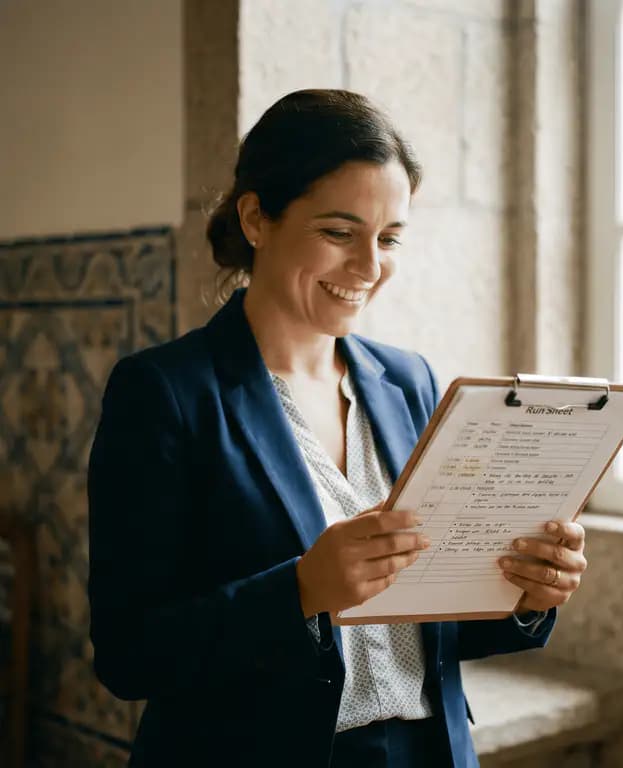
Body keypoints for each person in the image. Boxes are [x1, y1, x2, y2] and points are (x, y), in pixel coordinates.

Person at [86, 89, 587, 767]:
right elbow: (129, 654)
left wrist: (524, 595)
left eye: (389, 238)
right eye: (338, 232)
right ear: (257, 218)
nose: (370, 266)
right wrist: (300, 590)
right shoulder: (165, 393)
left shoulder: (409, 381)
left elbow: (432, 633)